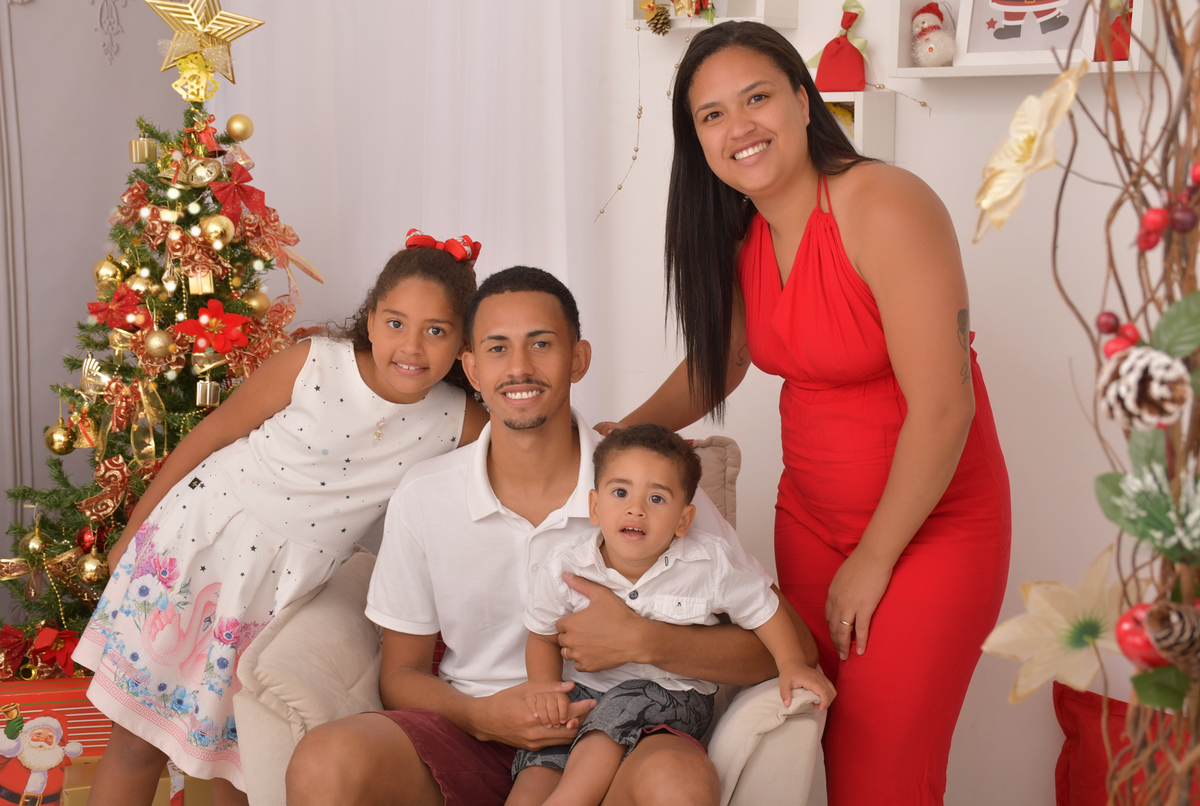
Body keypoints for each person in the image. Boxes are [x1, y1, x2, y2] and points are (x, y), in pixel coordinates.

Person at [596, 22, 1011, 806]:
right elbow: (722, 362)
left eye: (756, 98)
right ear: (698, 140)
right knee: (831, 756)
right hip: (812, 526)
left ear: (802, 98)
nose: (739, 127)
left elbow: (945, 406)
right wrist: (625, 432)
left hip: (927, 532)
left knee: (884, 780)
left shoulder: (885, 204)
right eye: (712, 115)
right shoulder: (744, 236)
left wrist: (876, 557)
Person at [285, 266, 818, 806]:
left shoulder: (649, 490)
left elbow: (790, 648)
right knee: (325, 761)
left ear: (578, 359)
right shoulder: (425, 494)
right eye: (497, 348)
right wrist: (480, 716)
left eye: (541, 344)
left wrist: (646, 640)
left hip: (627, 732)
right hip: (474, 731)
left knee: (677, 782)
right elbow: (400, 673)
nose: (519, 367)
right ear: (471, 367)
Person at [72, 230, 490, 806]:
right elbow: (213, 434)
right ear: (371, 320)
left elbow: (536, 445)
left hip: (282, 590)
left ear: (464, 344)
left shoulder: (458, 421)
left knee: (237, 766)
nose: (411, 346)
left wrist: (598, 441)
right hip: (200, 543)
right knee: (137, 741)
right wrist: (133, 530)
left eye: (436, 331)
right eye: (396, 322)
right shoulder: (314, 362)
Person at [508, 423, 833, 806]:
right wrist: (547, 691)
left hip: (670, 695)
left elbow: (763, 607)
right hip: (586, 693)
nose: (636, 508)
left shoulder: (708, 563)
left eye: (657, 498)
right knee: (536, 770)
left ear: (683, 519)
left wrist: (791, 661)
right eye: (620, 492)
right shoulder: (566, 565)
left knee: (613, 719)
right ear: (595, 507)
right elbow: (542, 636)